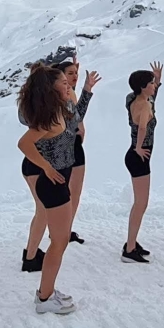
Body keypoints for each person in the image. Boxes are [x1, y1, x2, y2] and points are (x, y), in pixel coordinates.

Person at [17, 65, 79, 314]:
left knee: (59, 241)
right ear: (51, 89)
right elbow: (23, 143)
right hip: (53, 185)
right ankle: (44, 297)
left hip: (58, 181)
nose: (67, 85)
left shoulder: (59, 110)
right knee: (58, 241)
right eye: (63, 82)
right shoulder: (50, 118)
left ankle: (47, 291)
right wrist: (45, 166)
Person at [122, 63, 162, 262]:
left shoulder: (132, 99)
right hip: (140, 156)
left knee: (140, 203)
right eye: (152, 83)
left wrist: (158, 79)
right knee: (141, 204)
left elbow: (150, 98)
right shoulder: (145, 105)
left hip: (135, 154)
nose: (154, 86)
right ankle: (129, 249)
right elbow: (144, 128)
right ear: (143, 86)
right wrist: (139, 147)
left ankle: (132, 241)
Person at [60, 58, 100, 245]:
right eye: (70, 74)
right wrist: (88, 89)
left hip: (69, 144)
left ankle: (63, 229)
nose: (74, 76)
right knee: (71, 193)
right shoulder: (66, 93)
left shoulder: (66, 91)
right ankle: (63, 231)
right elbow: (76, 116)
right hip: (70, 147)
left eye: (75, 73)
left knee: (69, 192)